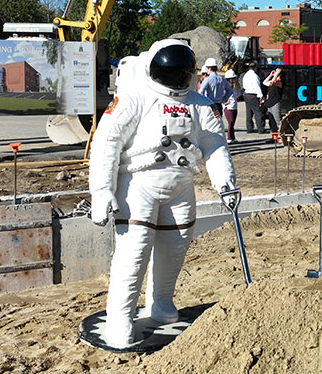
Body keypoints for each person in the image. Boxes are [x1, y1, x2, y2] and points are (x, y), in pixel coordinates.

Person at [88, 39, 235, 350]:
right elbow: (107, 142)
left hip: (181, 185)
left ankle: (161, 304)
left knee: (175, 246)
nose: (176, 79)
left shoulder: (198, 104)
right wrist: (102, 190)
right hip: (139, 183)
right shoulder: (135, 97)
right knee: (134, 251)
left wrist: (225, 182)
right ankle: (120, 317)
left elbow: (215, 146)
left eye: (182, 73)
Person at [240, 61, 264, 133]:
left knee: (249, 112)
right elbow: (257, 86)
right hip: (253, 95)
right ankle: (260, 128)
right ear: (255, 68)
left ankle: (249, 128)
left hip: (246, 94)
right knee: (257, 112)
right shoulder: (254, 76)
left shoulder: (246, 75)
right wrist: (260, 95)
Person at [262, 67, 283, 134]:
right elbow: (264, 82)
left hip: (275, 103)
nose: (275, 72)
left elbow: (273, 82)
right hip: (270, 103)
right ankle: (274, 136)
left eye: (276, 71)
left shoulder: (280, 82)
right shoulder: (273, 80)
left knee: (278, 121)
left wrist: (276, 74)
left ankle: (282, 136)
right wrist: (271, 75)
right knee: (272, 121)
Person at [223, 69, 240, 142]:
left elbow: (235, 96)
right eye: (234, 78)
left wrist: (242, 92)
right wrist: (225, 101)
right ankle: (229, 138)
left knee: (232, 123)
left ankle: (232, 137)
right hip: (229, 107)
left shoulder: (233, 87)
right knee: (231, 122)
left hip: (234, 106)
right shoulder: (225, 87)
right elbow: (221, 96)